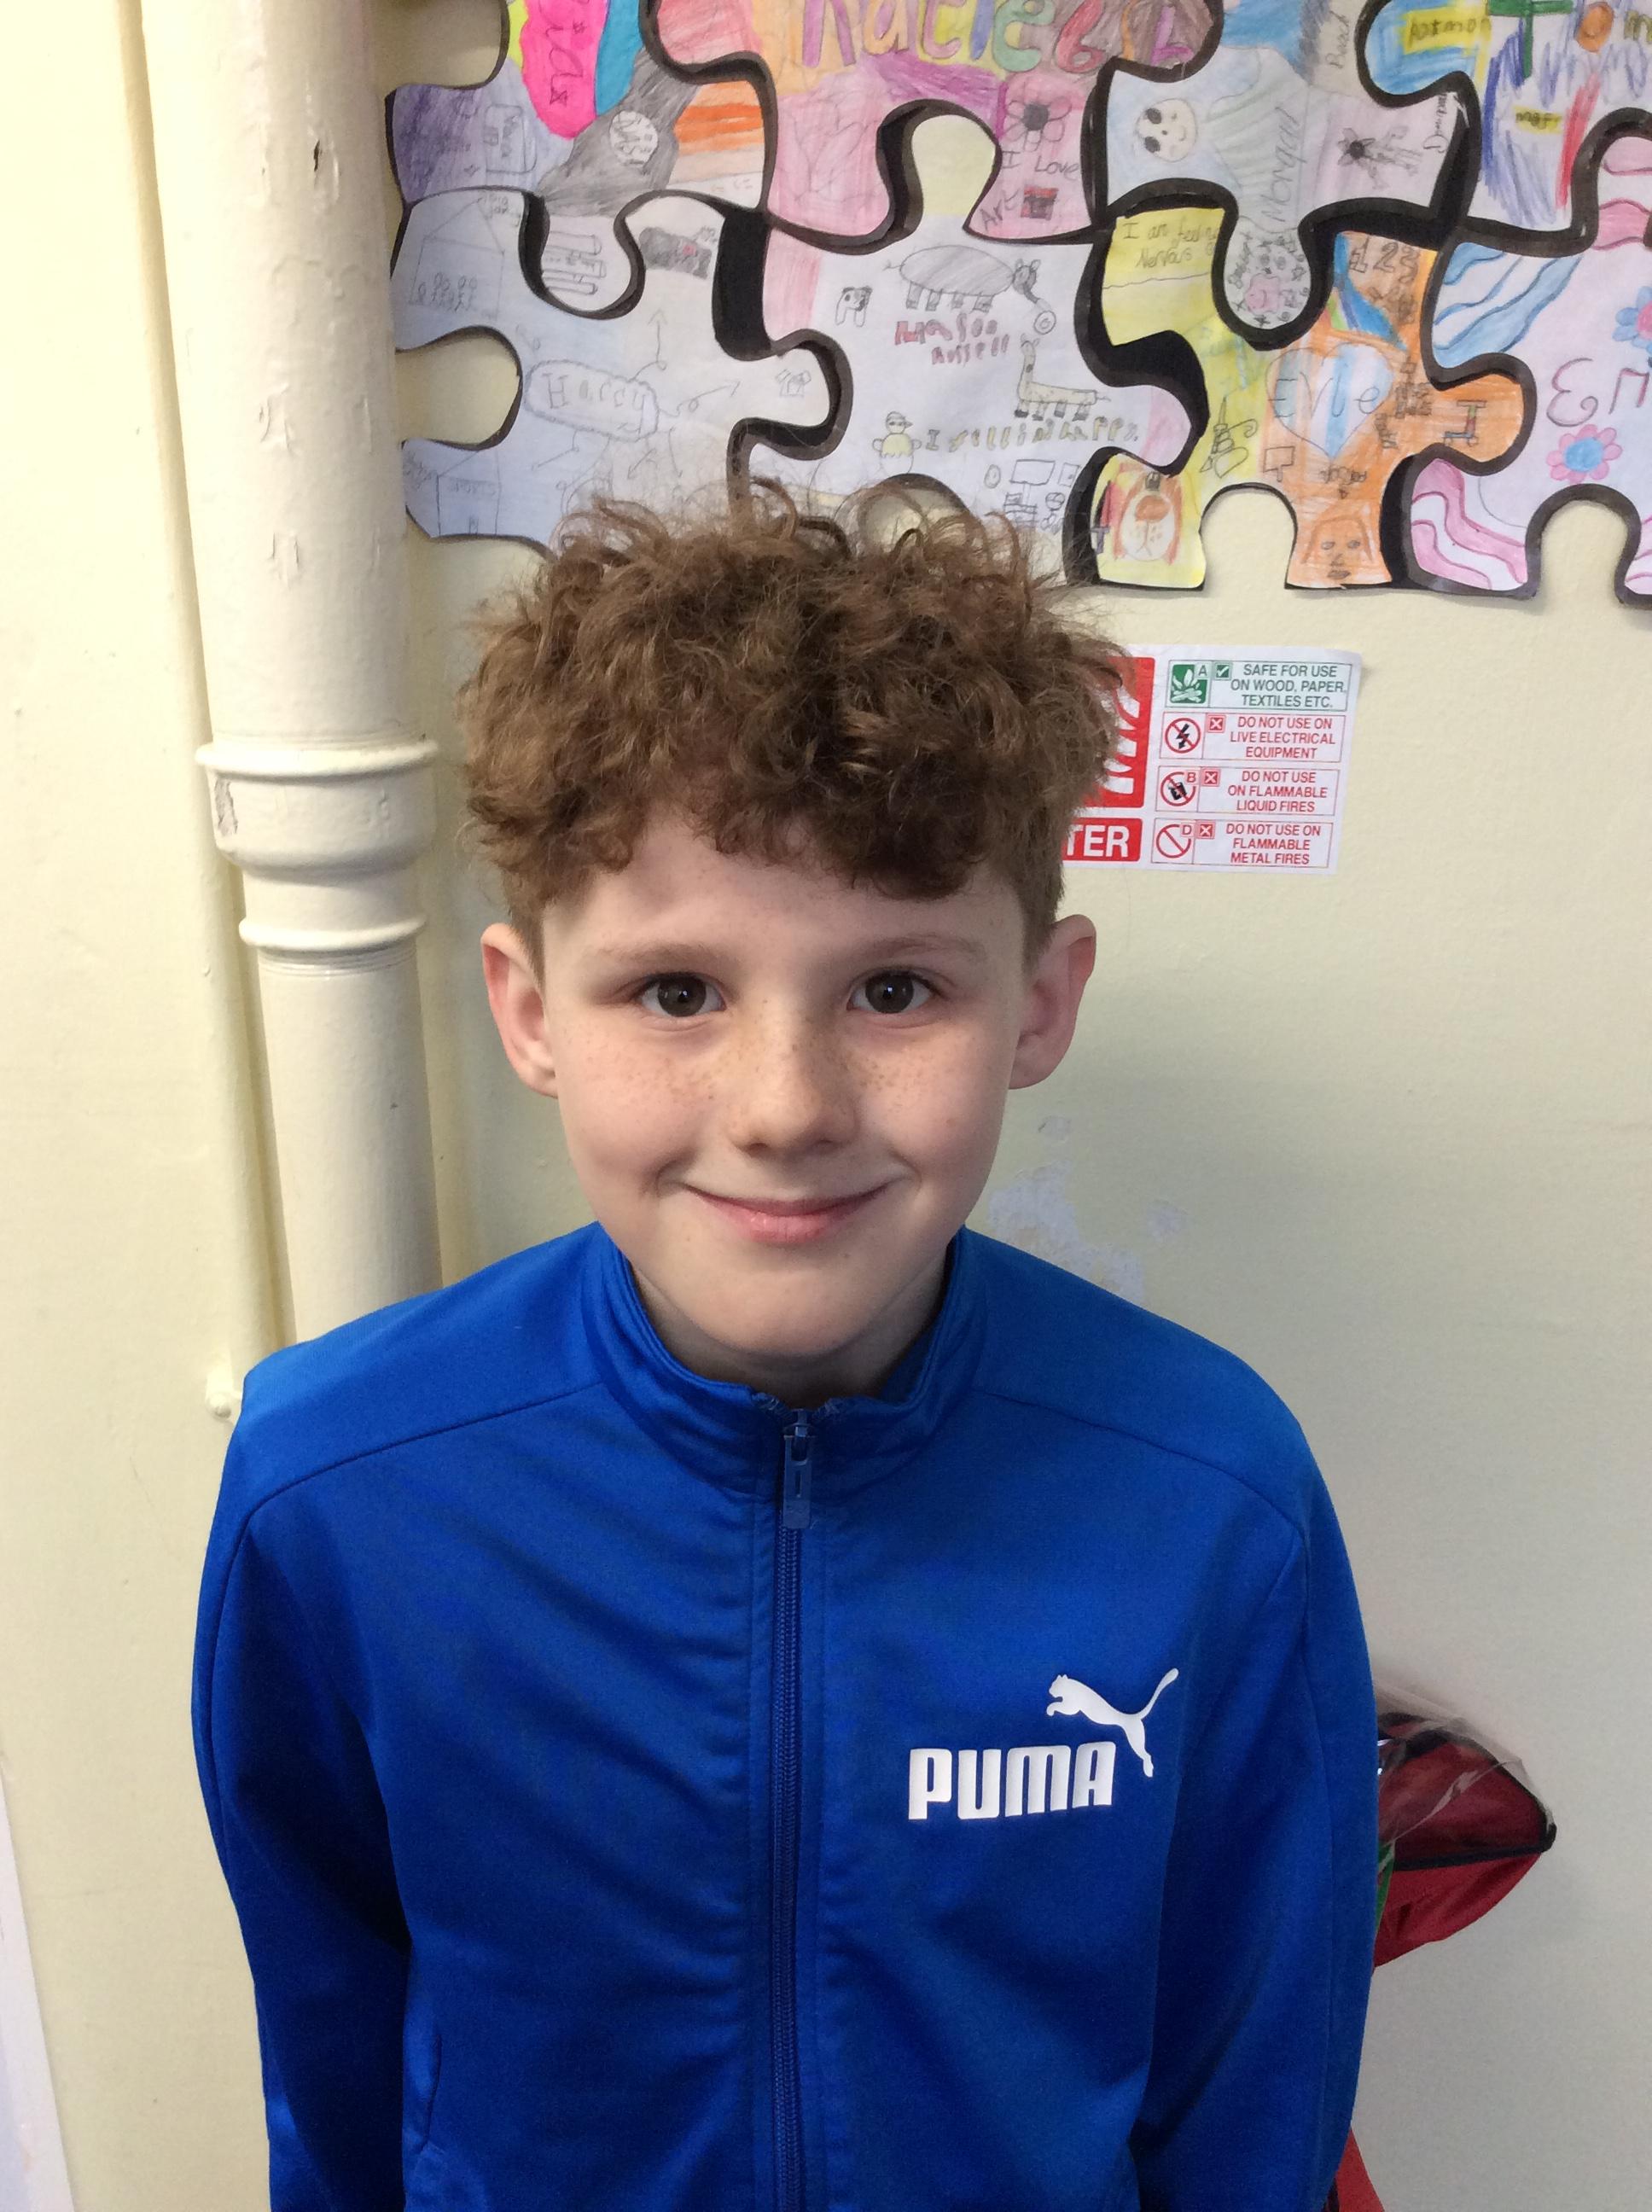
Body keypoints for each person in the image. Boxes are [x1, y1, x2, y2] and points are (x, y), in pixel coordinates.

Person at [191, 481, 1378, 2212]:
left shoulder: (1210, 1494)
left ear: (1039, 1003)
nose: (785, 1109)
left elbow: (1252, 2092)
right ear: (529, 1011)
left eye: (894, 991)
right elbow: (329, 2052)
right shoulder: (332, 1490)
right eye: (676, 991)